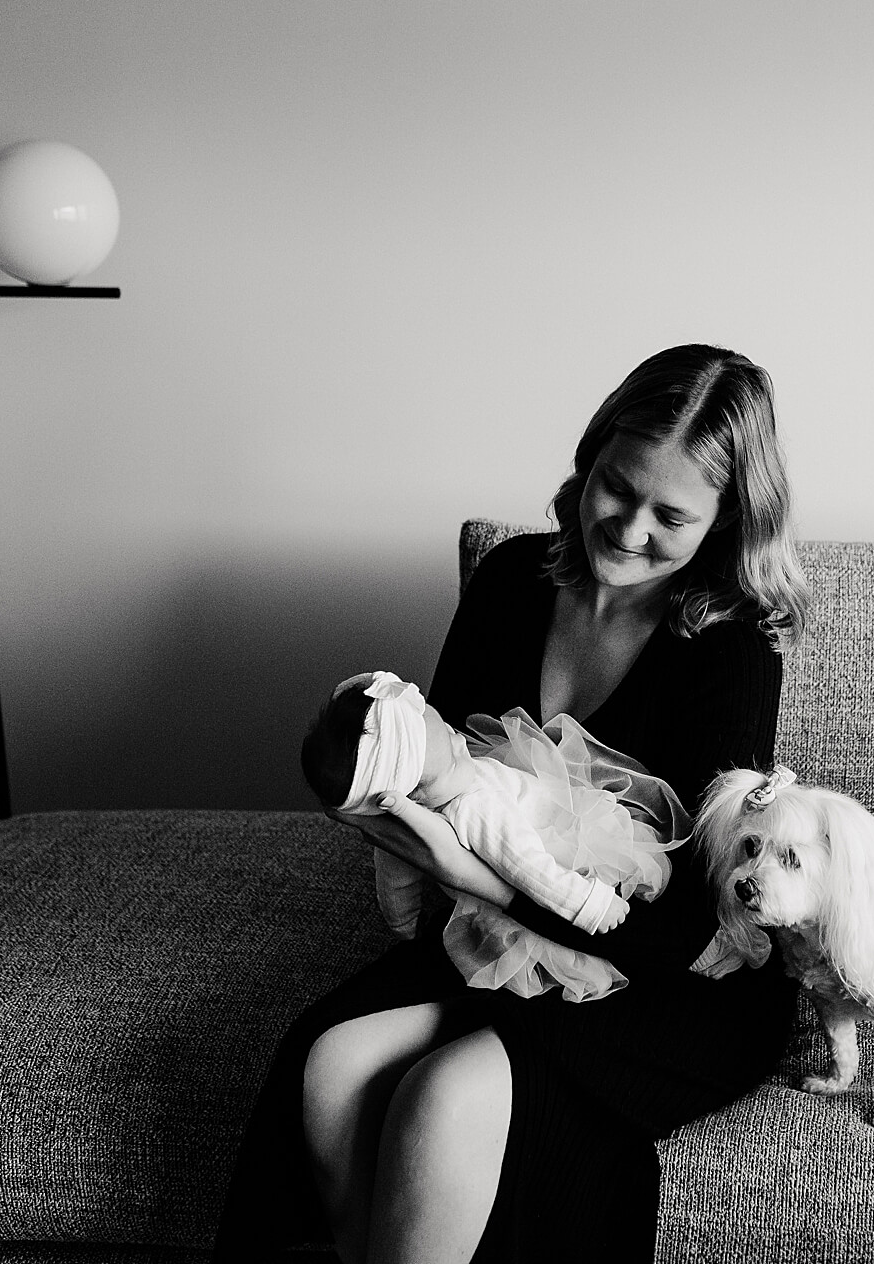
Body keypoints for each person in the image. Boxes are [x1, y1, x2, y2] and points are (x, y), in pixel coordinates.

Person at [214, 344, 812, 1264]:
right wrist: (379, 798)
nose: (629, 527)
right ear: (590, 456)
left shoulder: (729, 647)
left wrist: (468, 872)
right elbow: (441, 766)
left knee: (445, 1097)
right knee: (330, 1068)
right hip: (496, 937)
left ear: (727, 521)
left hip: (675, 975)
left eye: (672, 515)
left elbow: (695, 917)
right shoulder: (510, 581)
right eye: (616, 486)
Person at [302, 671, 688, 1002]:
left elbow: (394, 879)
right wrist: (586, 904)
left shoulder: (411, 824)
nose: (460, 744)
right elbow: (526, 866)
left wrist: (403, 925)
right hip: (563, 869)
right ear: (410, 797)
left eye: (450, 732)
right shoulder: (474, 807)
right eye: (452, 758)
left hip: (545, 834)